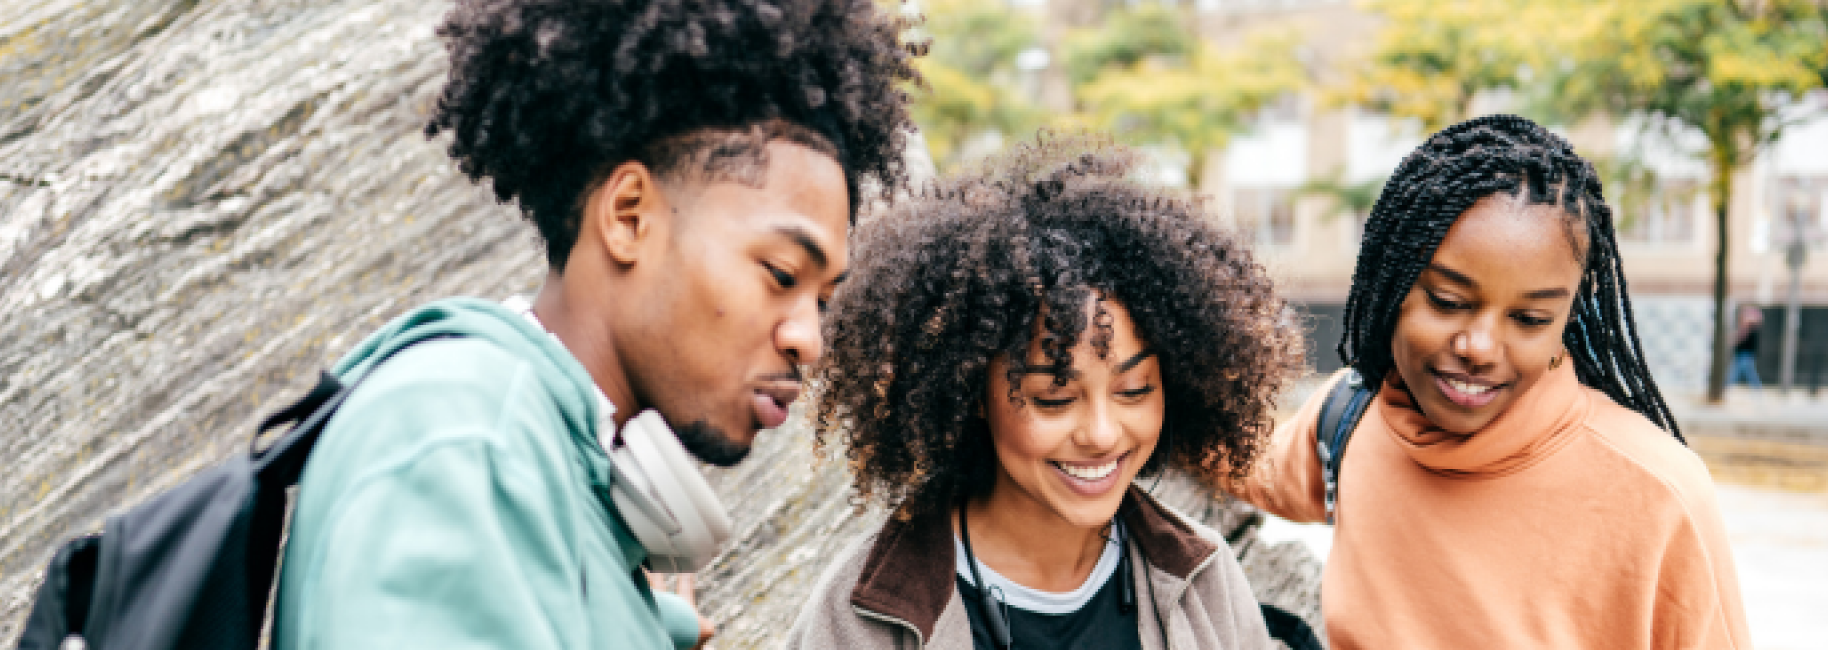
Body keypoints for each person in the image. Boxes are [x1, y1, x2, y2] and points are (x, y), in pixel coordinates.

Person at [270, 1, 919, 648]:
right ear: (630, 217)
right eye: (780, 274)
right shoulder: (464, 446)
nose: (809, 340)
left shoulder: (549, 480)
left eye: (824, 301)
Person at [1233, 115, 1749, 649]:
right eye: (1448, 302)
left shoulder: (1661, 490)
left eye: (1529, 320)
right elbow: (1231, 463)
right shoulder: (1348, 416)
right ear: (1389, 284)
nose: (1479, 347)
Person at [790, 135, 1303, 649]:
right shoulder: (862, 617)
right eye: (1054, 399)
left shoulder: (1204, 578)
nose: (1102, 434)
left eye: (1134, 389)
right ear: (972, 395)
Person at [1731, 303, 1764, 388]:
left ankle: (1725, 387)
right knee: (1749, 375)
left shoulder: (1749, 330)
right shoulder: (1749, 330)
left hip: (1745, 354)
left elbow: (1739, 340)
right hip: (1744, 355)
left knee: (1735, 373)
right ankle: (1758, 389)